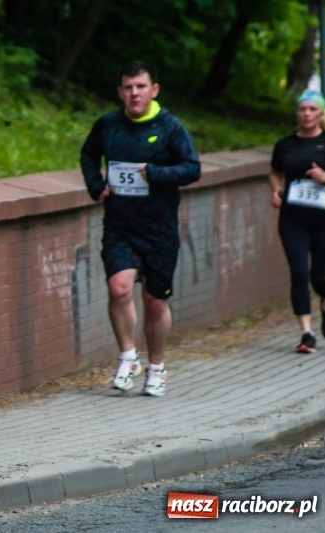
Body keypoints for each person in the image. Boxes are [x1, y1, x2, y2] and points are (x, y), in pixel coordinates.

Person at [80, 60, 201, 397]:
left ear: (154, 90)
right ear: (120, 91)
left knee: (154, 302)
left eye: (141, 87)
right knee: (119, 288)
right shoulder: (108, 125)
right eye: (128, 87)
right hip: (120, 224)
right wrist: (95, 183)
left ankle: (157, 367)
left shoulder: (170, 128)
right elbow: (89, 154)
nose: (134, 93)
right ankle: (128, 357)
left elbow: (193, 169)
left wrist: (157, 174)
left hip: (159, 229)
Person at [268, 89, 325, 353]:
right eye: (302, 109)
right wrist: (275, 189)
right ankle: (306, 333)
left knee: (322, 278)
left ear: (320, 113)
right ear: (297, 113)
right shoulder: (285, 144)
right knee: (298, 272)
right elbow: (275, 171)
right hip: (293, 218)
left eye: (312, 109)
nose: (306, 114)